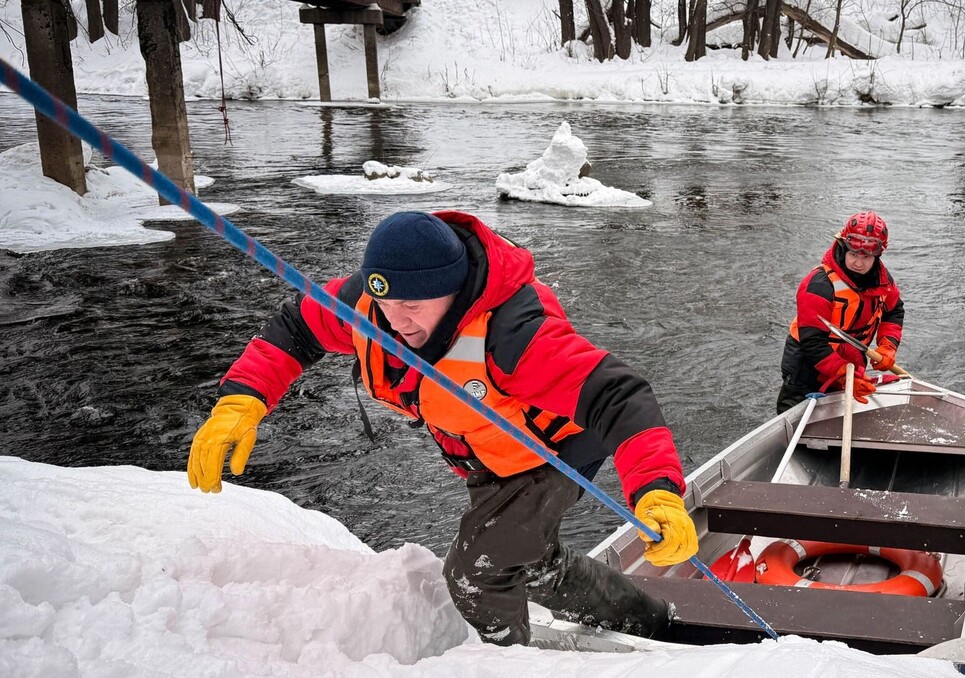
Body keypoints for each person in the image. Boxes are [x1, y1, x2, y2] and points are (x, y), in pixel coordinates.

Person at [187, 210, 699, 646]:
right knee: (532, 562)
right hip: (488, 452)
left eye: (412, 306)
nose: (397, 322)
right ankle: (651, 621)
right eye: (386, 306)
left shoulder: (513, 334)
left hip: (552, 451)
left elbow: (619, 397)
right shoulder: (371, 307)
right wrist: (242, 400)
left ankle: (504, 665)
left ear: (450, 292)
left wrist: (656, 492)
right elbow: (297, 327)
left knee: (478, 571)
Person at [776, 210, 904, 414]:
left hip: (851, 360)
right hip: (807, 365)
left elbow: (894, 311)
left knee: (840, 416)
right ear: (843, 247)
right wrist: (845, 376)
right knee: (797, 418)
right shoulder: (819, 285)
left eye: (866, 257)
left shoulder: (883, 282)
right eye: (853, 254)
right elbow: (813, 341)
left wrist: (888, 346)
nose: (858, 263)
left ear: (877, 255)